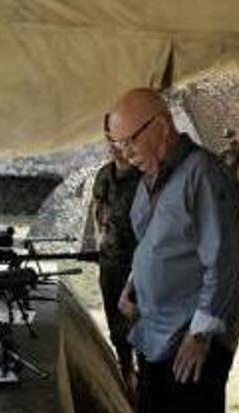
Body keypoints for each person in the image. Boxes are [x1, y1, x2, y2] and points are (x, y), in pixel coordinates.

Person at [110, 88, 239, 413]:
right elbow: (153, 242)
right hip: (157, 333)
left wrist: (201, 334)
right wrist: (133, 284)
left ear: (163, 127)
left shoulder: (203, 174)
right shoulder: (151, 177)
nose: (123, 151)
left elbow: (224, 259)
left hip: (192, 340)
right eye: (117, 143)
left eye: (129, 139)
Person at [92, 115, 142, 391]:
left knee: (139, 322)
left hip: (139, 264)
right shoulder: (104, 176)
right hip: (111, 262)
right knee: (116, 325)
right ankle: (127, 373)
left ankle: (145, 379)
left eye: (117, 140)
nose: (112, 146)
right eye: (108, 139)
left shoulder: (144, 177)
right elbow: (99, 214)